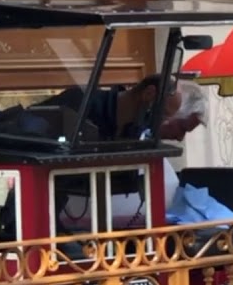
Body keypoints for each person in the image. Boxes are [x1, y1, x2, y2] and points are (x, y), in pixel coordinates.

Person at [58, 76, 209, 231]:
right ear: (149, 94)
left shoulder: (134, 133)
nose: (179, 137)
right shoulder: (78, 104)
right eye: (163, 116)